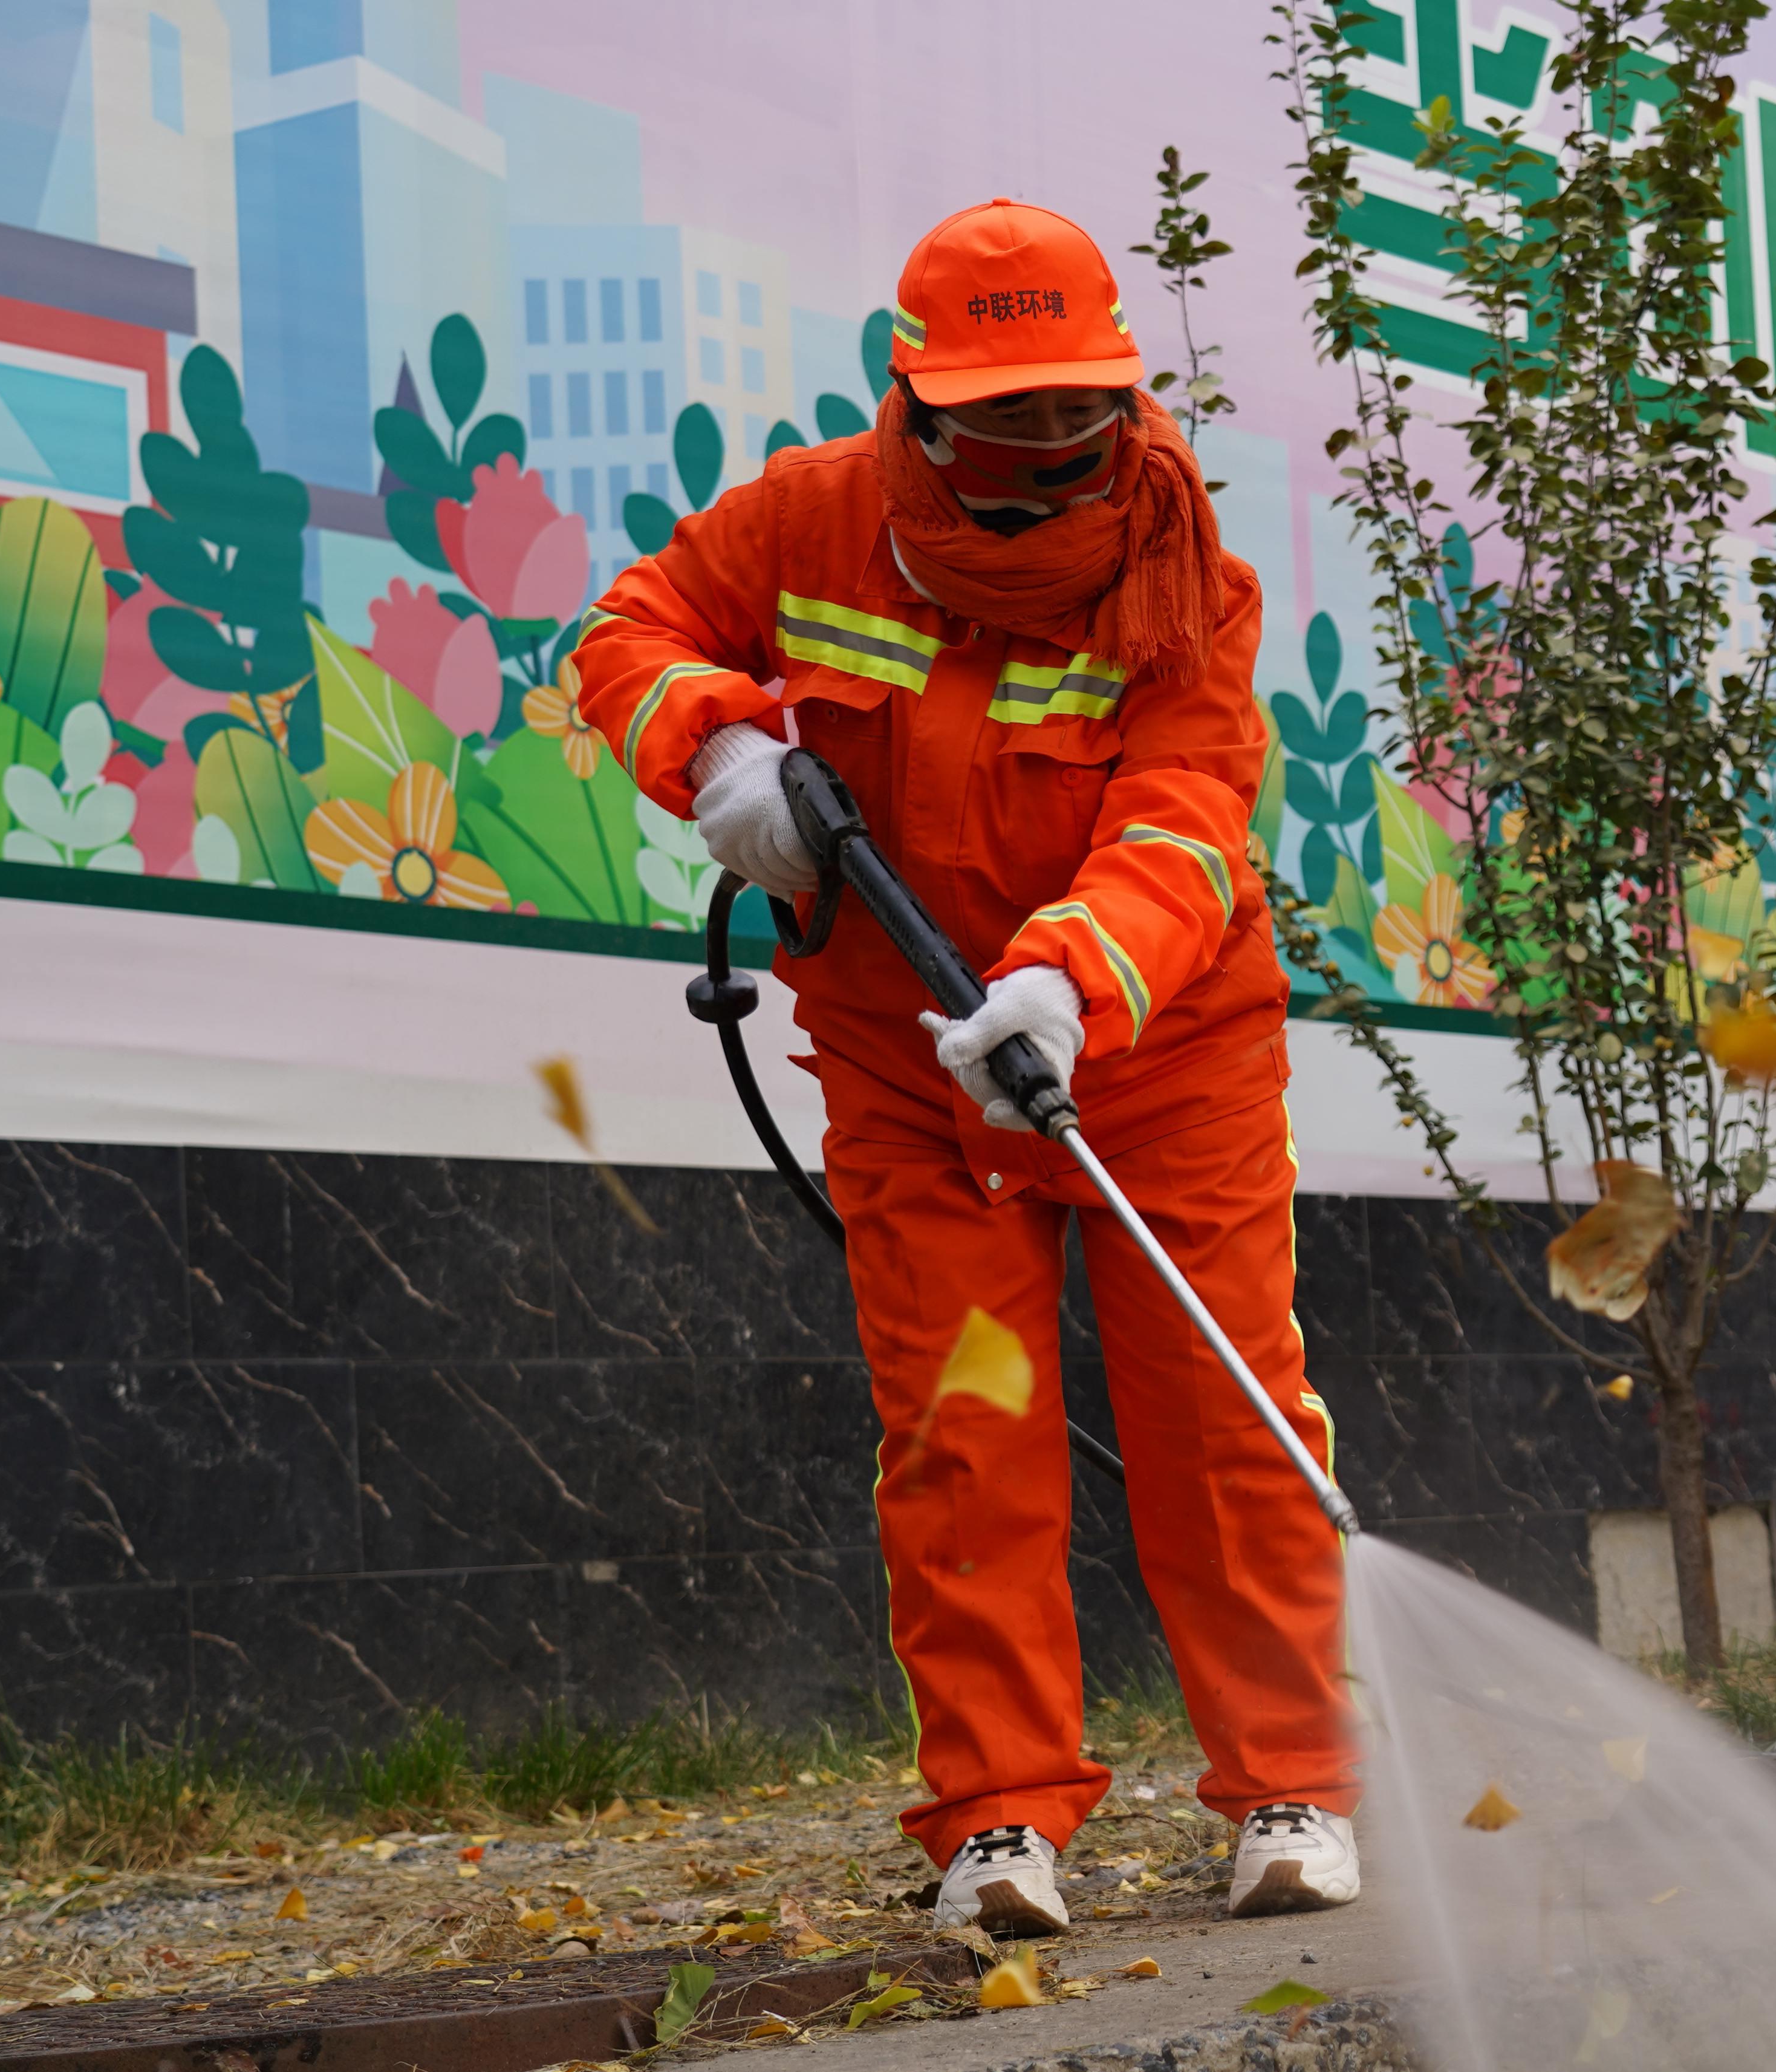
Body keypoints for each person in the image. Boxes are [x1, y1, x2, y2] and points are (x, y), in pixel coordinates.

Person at [574, 198, 1355, 1934]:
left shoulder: (1186, 577)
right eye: (1007, 415)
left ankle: (1289, 1786)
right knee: (964, 1431)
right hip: (901, 1060)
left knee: (1226, 1421)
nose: (1047, 450)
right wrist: (715, 753)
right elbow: (627, 634)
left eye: (1076, 412)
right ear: (918, 398)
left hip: (1157, 1055)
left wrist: (1074, 983)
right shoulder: (808, 522)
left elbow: (1189, 809)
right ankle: (1000, 1818)